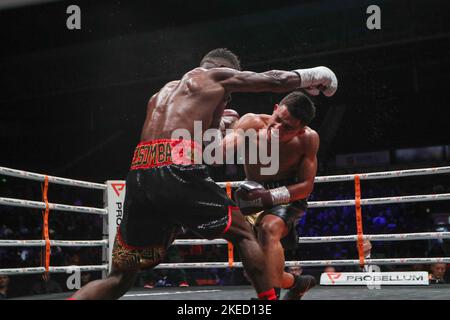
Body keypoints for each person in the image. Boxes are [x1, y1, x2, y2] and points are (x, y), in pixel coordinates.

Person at [70, 48, 337, 300]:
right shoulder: (213, 76)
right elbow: (274, 80)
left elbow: (201, 144)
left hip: (140, 174)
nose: (228, 96)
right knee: (244, 235)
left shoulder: (163, 93)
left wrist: (219, 124)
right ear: (222, 70)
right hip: (176, 170)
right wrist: (315, 75)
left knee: (119, 278)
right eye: (229, 90)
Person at [225, 91, 319, 299]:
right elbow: (222, 151)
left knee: (269, 229)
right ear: (275, 109)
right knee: (257, 268)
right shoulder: (251, 123)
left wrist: (268, 197)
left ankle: (269, 299)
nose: (277, 128)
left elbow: (306, 185)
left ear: (301, 130)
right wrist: (220, 127)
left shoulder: (308, 139)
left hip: (288, 195)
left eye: (287, 127)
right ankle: (298, 282)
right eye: (278, 120)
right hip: (251, 191)